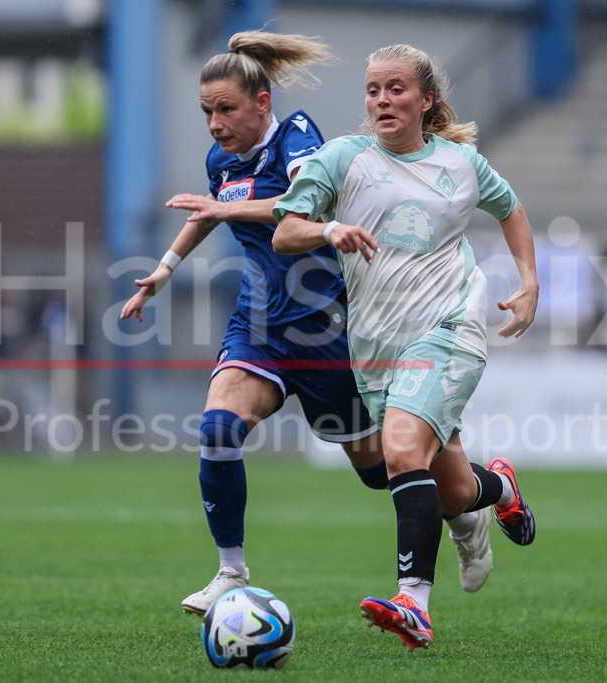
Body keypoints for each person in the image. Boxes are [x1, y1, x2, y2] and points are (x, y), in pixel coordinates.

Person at [119, 32, 496, 617]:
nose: (215, 124)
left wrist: (229, 209)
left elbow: (298, 207)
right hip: (260, 326)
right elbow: (210, 211)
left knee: (387, 473)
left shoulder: (297, 137)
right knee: (218, 429)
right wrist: (164, 269)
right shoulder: (221, 160)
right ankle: (230, 571)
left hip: (331, 332)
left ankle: (477, 505)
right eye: (207, 112)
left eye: (226, 109)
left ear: (262, 103)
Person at [273, 43, 539, 650]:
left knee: (397, 449)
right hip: (376, 349)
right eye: (373, 90)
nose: (382, 101)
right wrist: (329, 227)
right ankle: (499, 489)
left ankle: (412, 601)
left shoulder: (461, 163)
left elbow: (511, 209)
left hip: (450, 329)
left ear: (425, 100)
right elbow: (286, 231)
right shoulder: (343, 159)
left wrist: (529, 281)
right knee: (454, 491)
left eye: (396, 89)